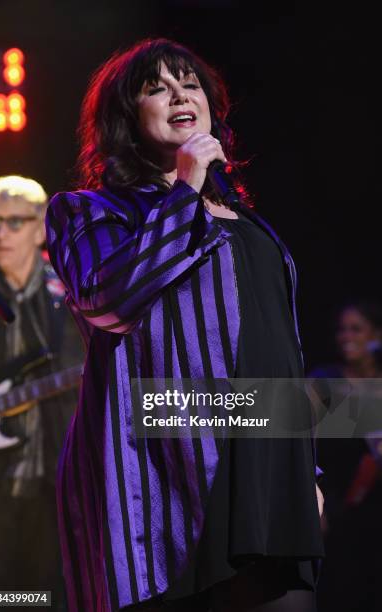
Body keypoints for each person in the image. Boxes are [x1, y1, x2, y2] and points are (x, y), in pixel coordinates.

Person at [45, 38, 325, 612]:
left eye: (189, 83)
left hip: (270, 462)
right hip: (169, 472)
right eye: (157, 88)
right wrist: (185, 186)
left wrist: (306, 467)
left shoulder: (248, 220)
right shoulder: (91, 210)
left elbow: (279, 348)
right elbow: (107, 302)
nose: (180, 94)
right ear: (126, 117)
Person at [0, 176, 84, 609]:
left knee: (54, 596)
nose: (1, 233)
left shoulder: (73, 295)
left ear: (41, 227)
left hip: (56, 483)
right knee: (0, 600)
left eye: (14, 222)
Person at [310, 300, 382, 612]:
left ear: (377, 335)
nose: (346, 336)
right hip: (338, 509)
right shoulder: (325, 380)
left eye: (356, 328)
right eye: (342, 329)